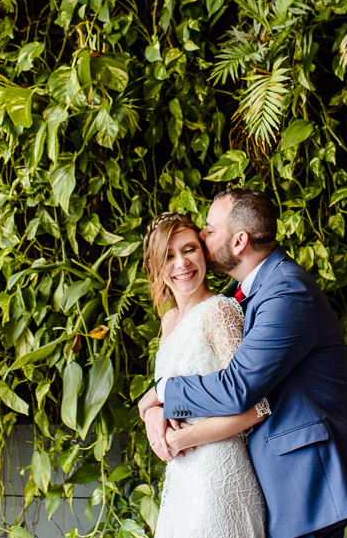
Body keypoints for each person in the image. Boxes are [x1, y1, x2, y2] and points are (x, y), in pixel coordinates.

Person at [139, 188, 347, 538]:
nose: (202, 236)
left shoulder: (286, 291)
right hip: (251, 476)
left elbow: (238, 387)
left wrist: (162, 394)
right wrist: (154, 409)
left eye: (209, 229)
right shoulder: (249, 292)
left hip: (300, 479)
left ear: (239, 241)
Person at [142, 211, 271, 538]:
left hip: (220, 473)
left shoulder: (220, 310)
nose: (181, 263)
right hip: (182, 478)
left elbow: (256, 407)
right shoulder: (168, 320)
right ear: (156, 265)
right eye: (168, 256)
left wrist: (181, 438)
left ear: (203, 252)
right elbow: (172, 391)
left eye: (189, 249)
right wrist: (152, 413)